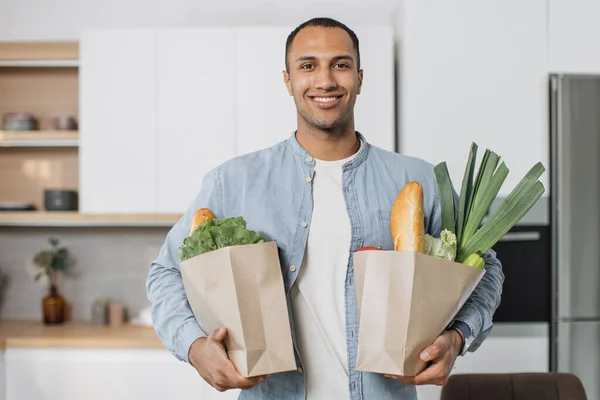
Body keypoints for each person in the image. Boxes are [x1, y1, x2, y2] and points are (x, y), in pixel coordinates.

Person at [146, 17, 504, 400]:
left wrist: (458, 337)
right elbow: (166, 272)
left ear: (360, 78)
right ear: (287, 81)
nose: (325, 80)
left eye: (341, 64)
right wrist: (194, 346)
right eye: (308, 65)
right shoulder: (233, 181)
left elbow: (485, 269)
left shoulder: (418, 180)